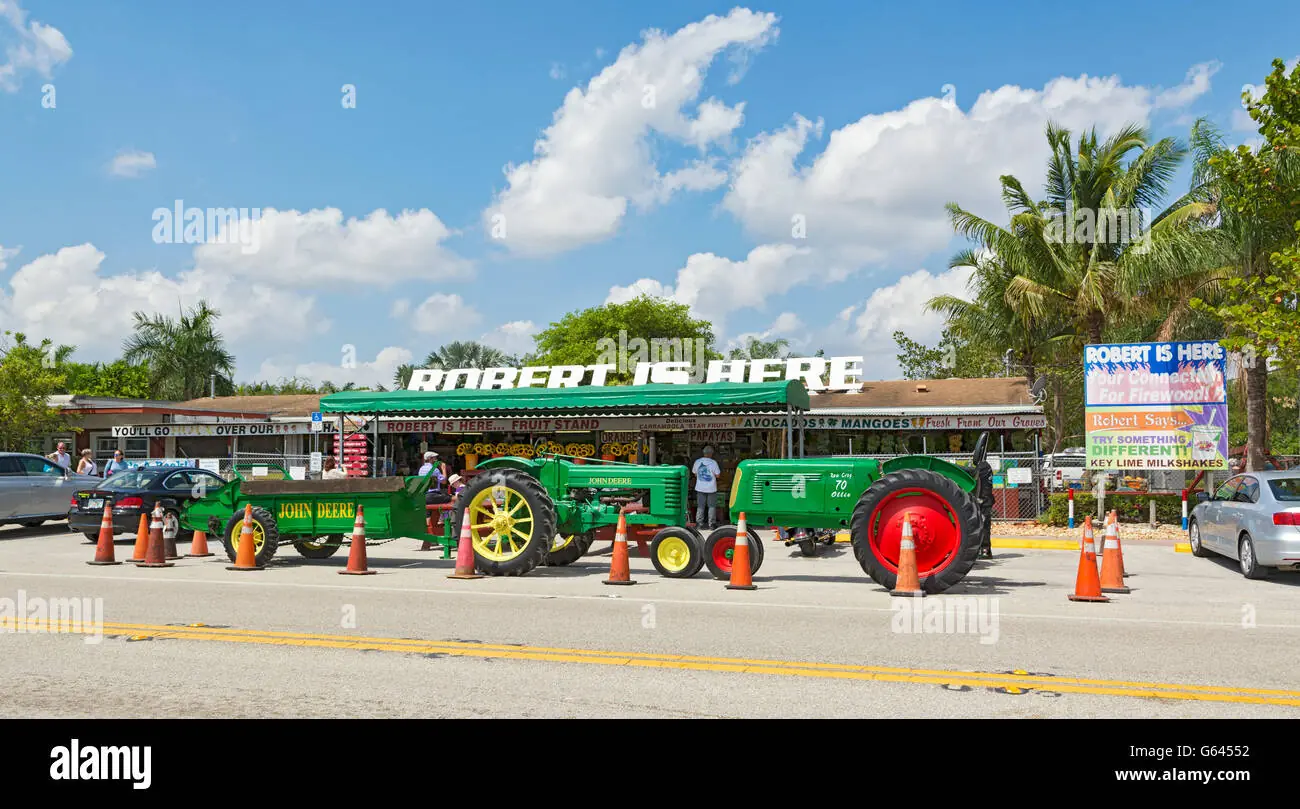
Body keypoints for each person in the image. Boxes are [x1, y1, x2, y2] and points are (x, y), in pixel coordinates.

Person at [692, 445, 722, 530]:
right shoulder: (713, 463)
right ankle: (711, 525)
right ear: (711, 454)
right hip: (711, 489)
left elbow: (694, 473)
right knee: (712, 506)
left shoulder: (697, 462)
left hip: (700, 488)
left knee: (700, 506)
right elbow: (718, 475)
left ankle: (699, 524)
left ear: (703, 453)